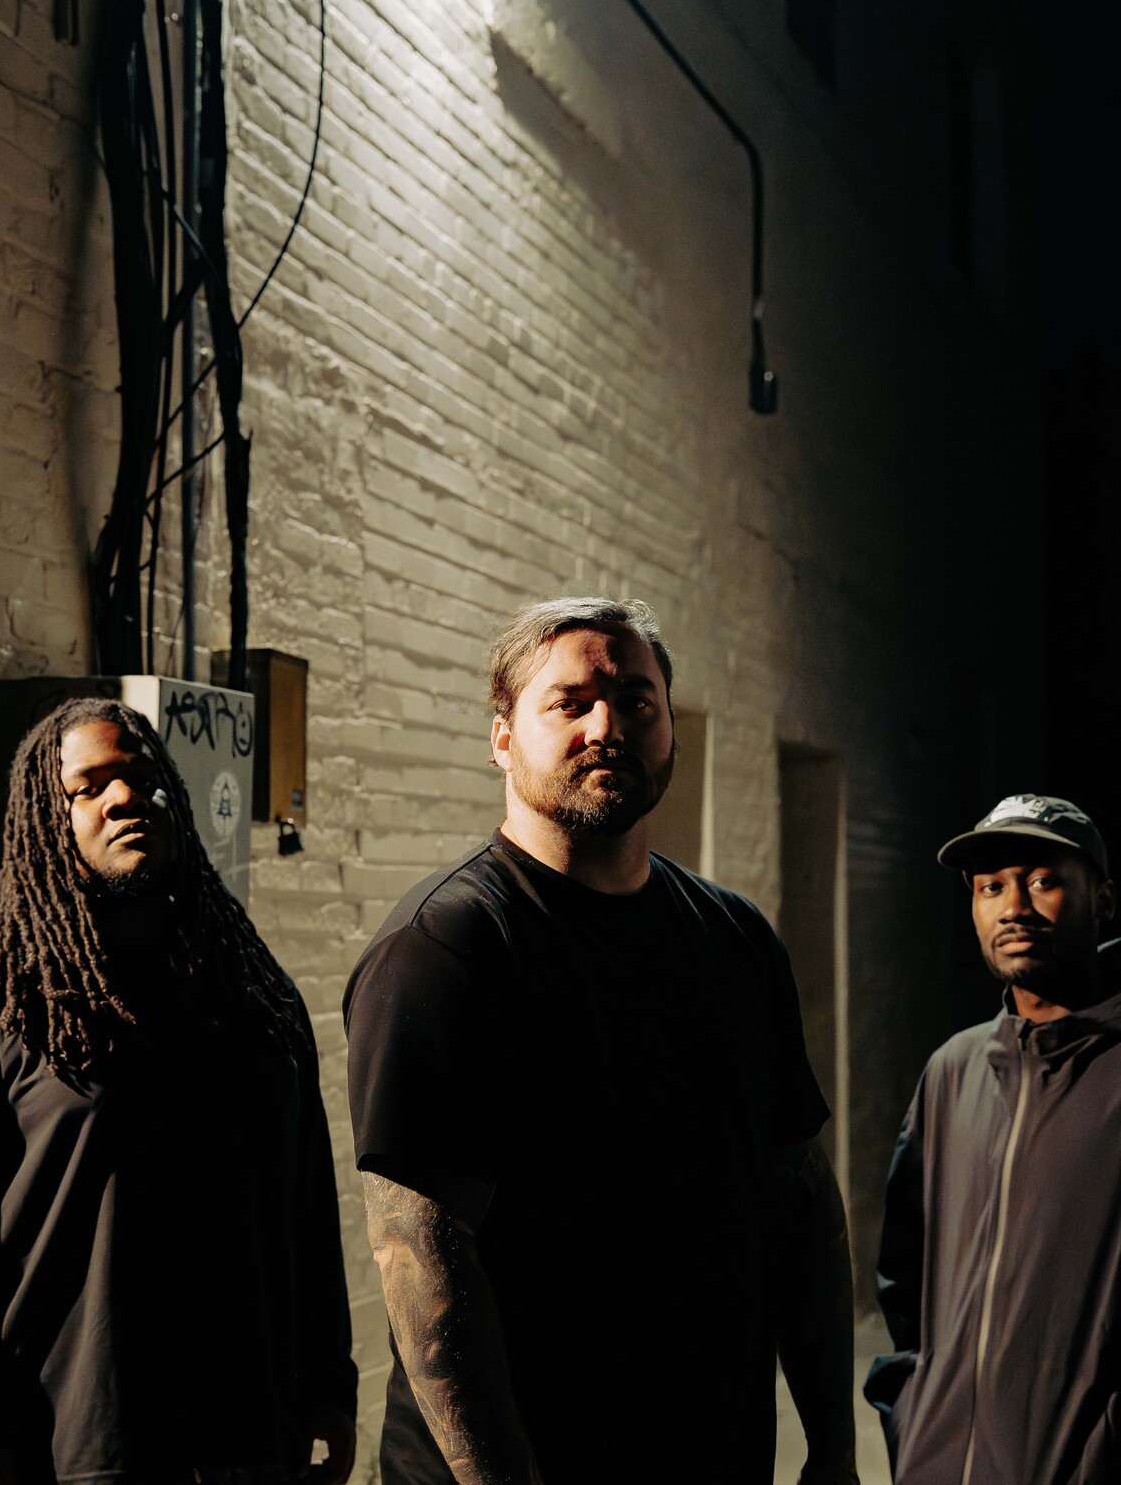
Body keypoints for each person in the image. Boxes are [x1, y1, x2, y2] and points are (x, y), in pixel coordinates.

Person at [343, 596, 860, 1485]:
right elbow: (420, 1254)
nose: (607, 726)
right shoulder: (446, 948)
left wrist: (836, 1448)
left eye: (635, 701)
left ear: (670, 732)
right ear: (502, 738)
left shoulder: (735, 941)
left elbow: (800, 1201)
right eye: (570, 703)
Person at [0, 697, 358, 1485]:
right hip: (77, 1446)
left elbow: (306, 1204)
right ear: (43, 817)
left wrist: (328, 1382)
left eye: (142, 776)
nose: (125, 796)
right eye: (89, 786)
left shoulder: (248, 983)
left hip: (248, 1439)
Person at [866, 793, 1121, 1483]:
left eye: (1042, 881)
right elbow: (904, 1281)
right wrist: (912, 1416)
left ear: (1102, 901)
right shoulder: (953, 1071)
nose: (1014, 907)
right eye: (991, 887)